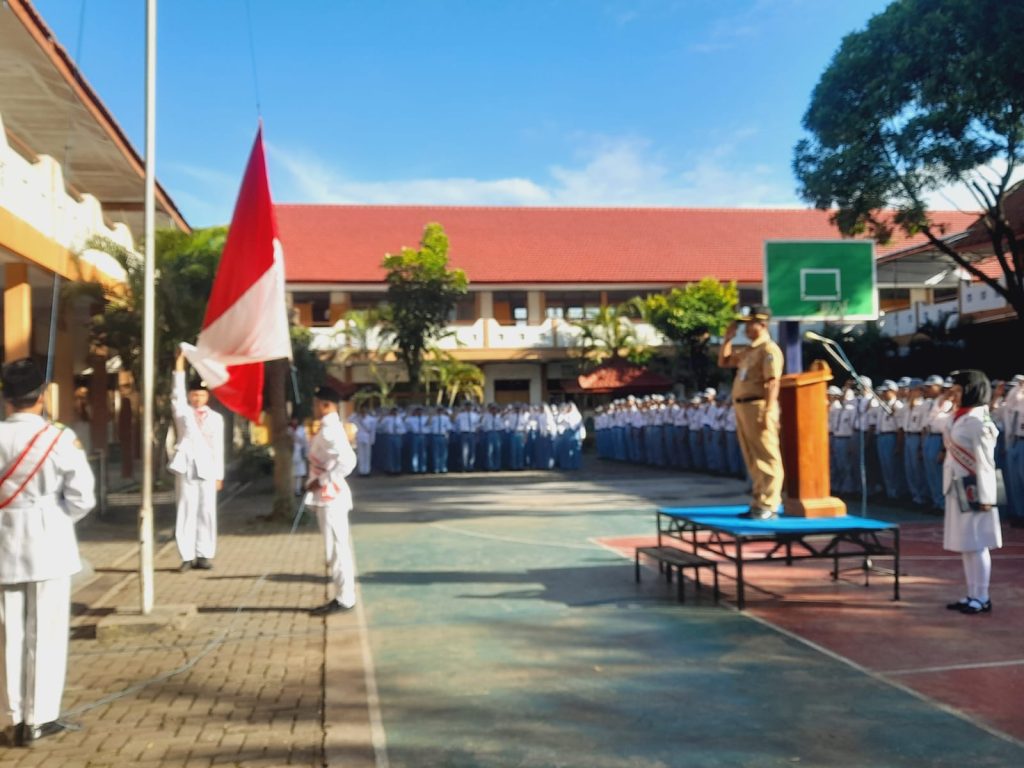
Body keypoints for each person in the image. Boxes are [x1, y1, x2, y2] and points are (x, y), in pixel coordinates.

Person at [0, 358, 96, 746]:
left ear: (7, 397)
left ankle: (13, 717)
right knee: (47, 632)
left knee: (8, 634)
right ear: (41, 396)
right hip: (49, 542)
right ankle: (41, 717)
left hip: (3, 540)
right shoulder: (58, 438)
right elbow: (82, 497)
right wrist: (53, 519)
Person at [942, 369, 1002, 615]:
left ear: (970, 389)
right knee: (966, 544)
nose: (952, 393)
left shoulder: (979, 421)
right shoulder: (958, 416)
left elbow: (986, 461)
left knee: (978, 544)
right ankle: (972, 594)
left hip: (974, 487)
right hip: (957, 487)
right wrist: (945, 401)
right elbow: (935, 421)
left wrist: (987, 496)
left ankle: (982, 597)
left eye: (957, 389)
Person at [717, 304, 784, 519]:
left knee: (767, 455)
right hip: (743, 406)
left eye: (749, 324)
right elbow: (724, 361)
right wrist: (727, 338)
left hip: (759, 406)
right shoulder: (750, 350)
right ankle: (758, 500)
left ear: (762, 324)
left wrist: (769, 410)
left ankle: (770, 503)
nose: (745, 329)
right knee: (752, 457)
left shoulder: (769, 349)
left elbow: (773, 382)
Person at [306, 385, 359, 616]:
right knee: (334, 549)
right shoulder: (328, 427)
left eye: (316, 403)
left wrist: (324, 480)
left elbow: (348, 461)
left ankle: (345, 598)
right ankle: (342, 594)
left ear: (323, 404)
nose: (314, 408)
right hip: (327, 495)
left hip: (332, 495)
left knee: (337, 548)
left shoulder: (330, 431)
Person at [169, 350, 225, 571]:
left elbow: (218, 447)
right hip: (187, 466)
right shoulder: (183, 411)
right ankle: (186, 554)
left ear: (207, 396)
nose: (197, 398)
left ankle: (204, 553)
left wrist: (219, 475)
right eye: (194, 394)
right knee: (186, 509)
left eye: (200, 394)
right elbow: (176, 394)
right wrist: (179, 365)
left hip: (208, 468)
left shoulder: (216, 418)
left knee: (207, 511)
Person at [289, 419, 309, 496]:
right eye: (293, 419)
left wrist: (306, 453)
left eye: (296, 419)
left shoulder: (301, 429)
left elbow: (305, 442)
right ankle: (292, 489)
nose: (294, 421)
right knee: (292, 474)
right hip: (290, 454)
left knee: (299, 474)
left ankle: (298, 489)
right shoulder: (288, 430)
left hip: (300, 454)